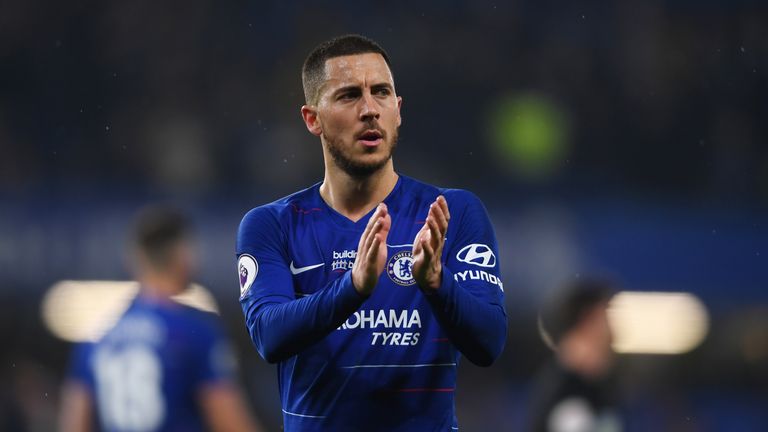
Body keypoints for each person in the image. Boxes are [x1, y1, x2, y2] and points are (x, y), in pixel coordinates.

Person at [236, 34, 507, 431]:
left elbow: (490, 343)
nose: (369, 110)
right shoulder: (272, 224)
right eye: (348, 96)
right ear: (313, 119)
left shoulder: (452, 213)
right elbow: (270, 336)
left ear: (398, 110)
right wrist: (353, 289)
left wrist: (436, 282)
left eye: (381, 92)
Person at [60, 207, 262, 432]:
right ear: (183, 256)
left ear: (134, 260)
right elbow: (232, 425)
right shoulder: (194, 331)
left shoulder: (97, 338)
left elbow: (74, 425)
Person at [528, 278, 623, 432]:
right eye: (605, 319)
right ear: (587, 323)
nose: (613, 334)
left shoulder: (596, 390)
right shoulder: (568, 399)